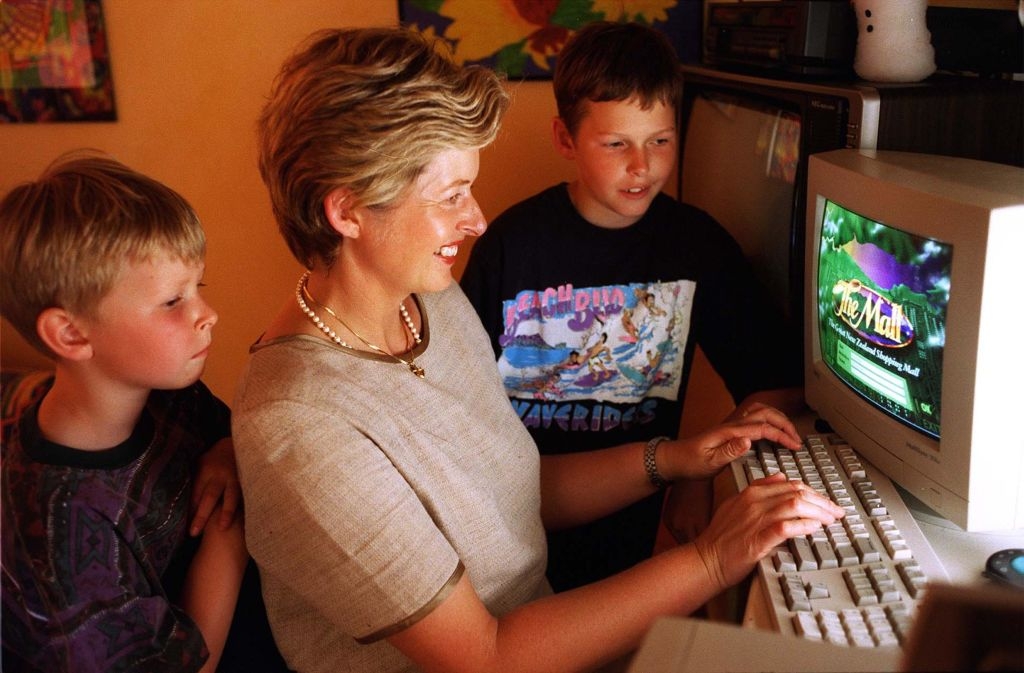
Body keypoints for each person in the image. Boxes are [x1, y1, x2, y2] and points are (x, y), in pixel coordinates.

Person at [232, 26, 844, 673]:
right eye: (451, 197)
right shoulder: (301, 423)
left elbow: (513, 491)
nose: (476, 219)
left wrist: (674, 459)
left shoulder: (430, 303)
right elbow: (486, 657)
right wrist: (713, 559)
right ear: (348, 211)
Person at [460, 20, 805, 592]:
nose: (642, 165)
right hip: (505, 539)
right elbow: (457, 411)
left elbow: (779, 382)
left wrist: (700, 470)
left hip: (630, 547)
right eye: (616, 144)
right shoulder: (510, 246)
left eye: (660, 141)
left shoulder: (696, 245)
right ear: (566, 139)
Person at [0, 153, 277, 673]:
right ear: (71, 334)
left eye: (198, 289)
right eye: (173, 301)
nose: (207, 314)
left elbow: (231, 438)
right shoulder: (56, 536)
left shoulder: (164, 391)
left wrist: (227, 450)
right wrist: (230, 525)